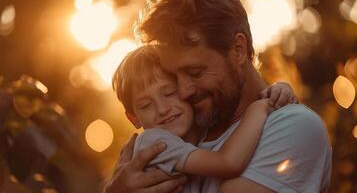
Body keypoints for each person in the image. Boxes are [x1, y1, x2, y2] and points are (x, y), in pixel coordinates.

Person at [105, 0, 332, 192]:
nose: (183, 92)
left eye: (195, 71)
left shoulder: (293, 126)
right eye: (174, 78)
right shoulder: (188, 130)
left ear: (238, 50)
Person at [109, 45, 296, 192]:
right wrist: (261, 107)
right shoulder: (155, 142)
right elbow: (228, 163)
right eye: (146, 105)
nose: (163, 109)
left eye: (169, 93)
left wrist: (279, 88)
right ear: (134, 118)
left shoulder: (202, 128)